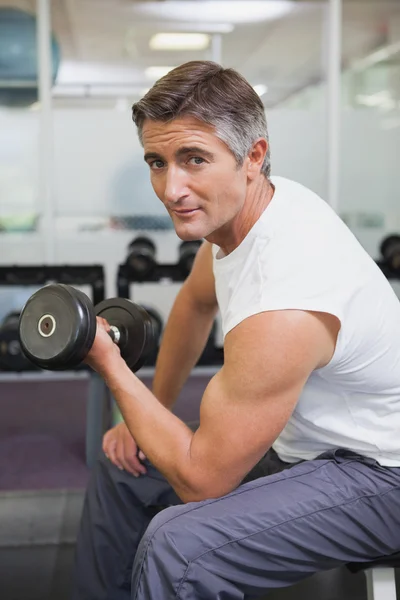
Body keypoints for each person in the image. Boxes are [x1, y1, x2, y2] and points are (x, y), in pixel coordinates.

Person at [71, 61, 400, 600]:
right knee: (125, 466)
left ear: (253, 157)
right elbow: (194, 303)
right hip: (311, 446)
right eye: (158, 161)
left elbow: (204, 481)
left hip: (382, 473)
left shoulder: (285, 300)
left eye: (194, 160)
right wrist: (153, 403)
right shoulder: (246, 218)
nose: (171, 188)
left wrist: (111, 366)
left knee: (179, 549)